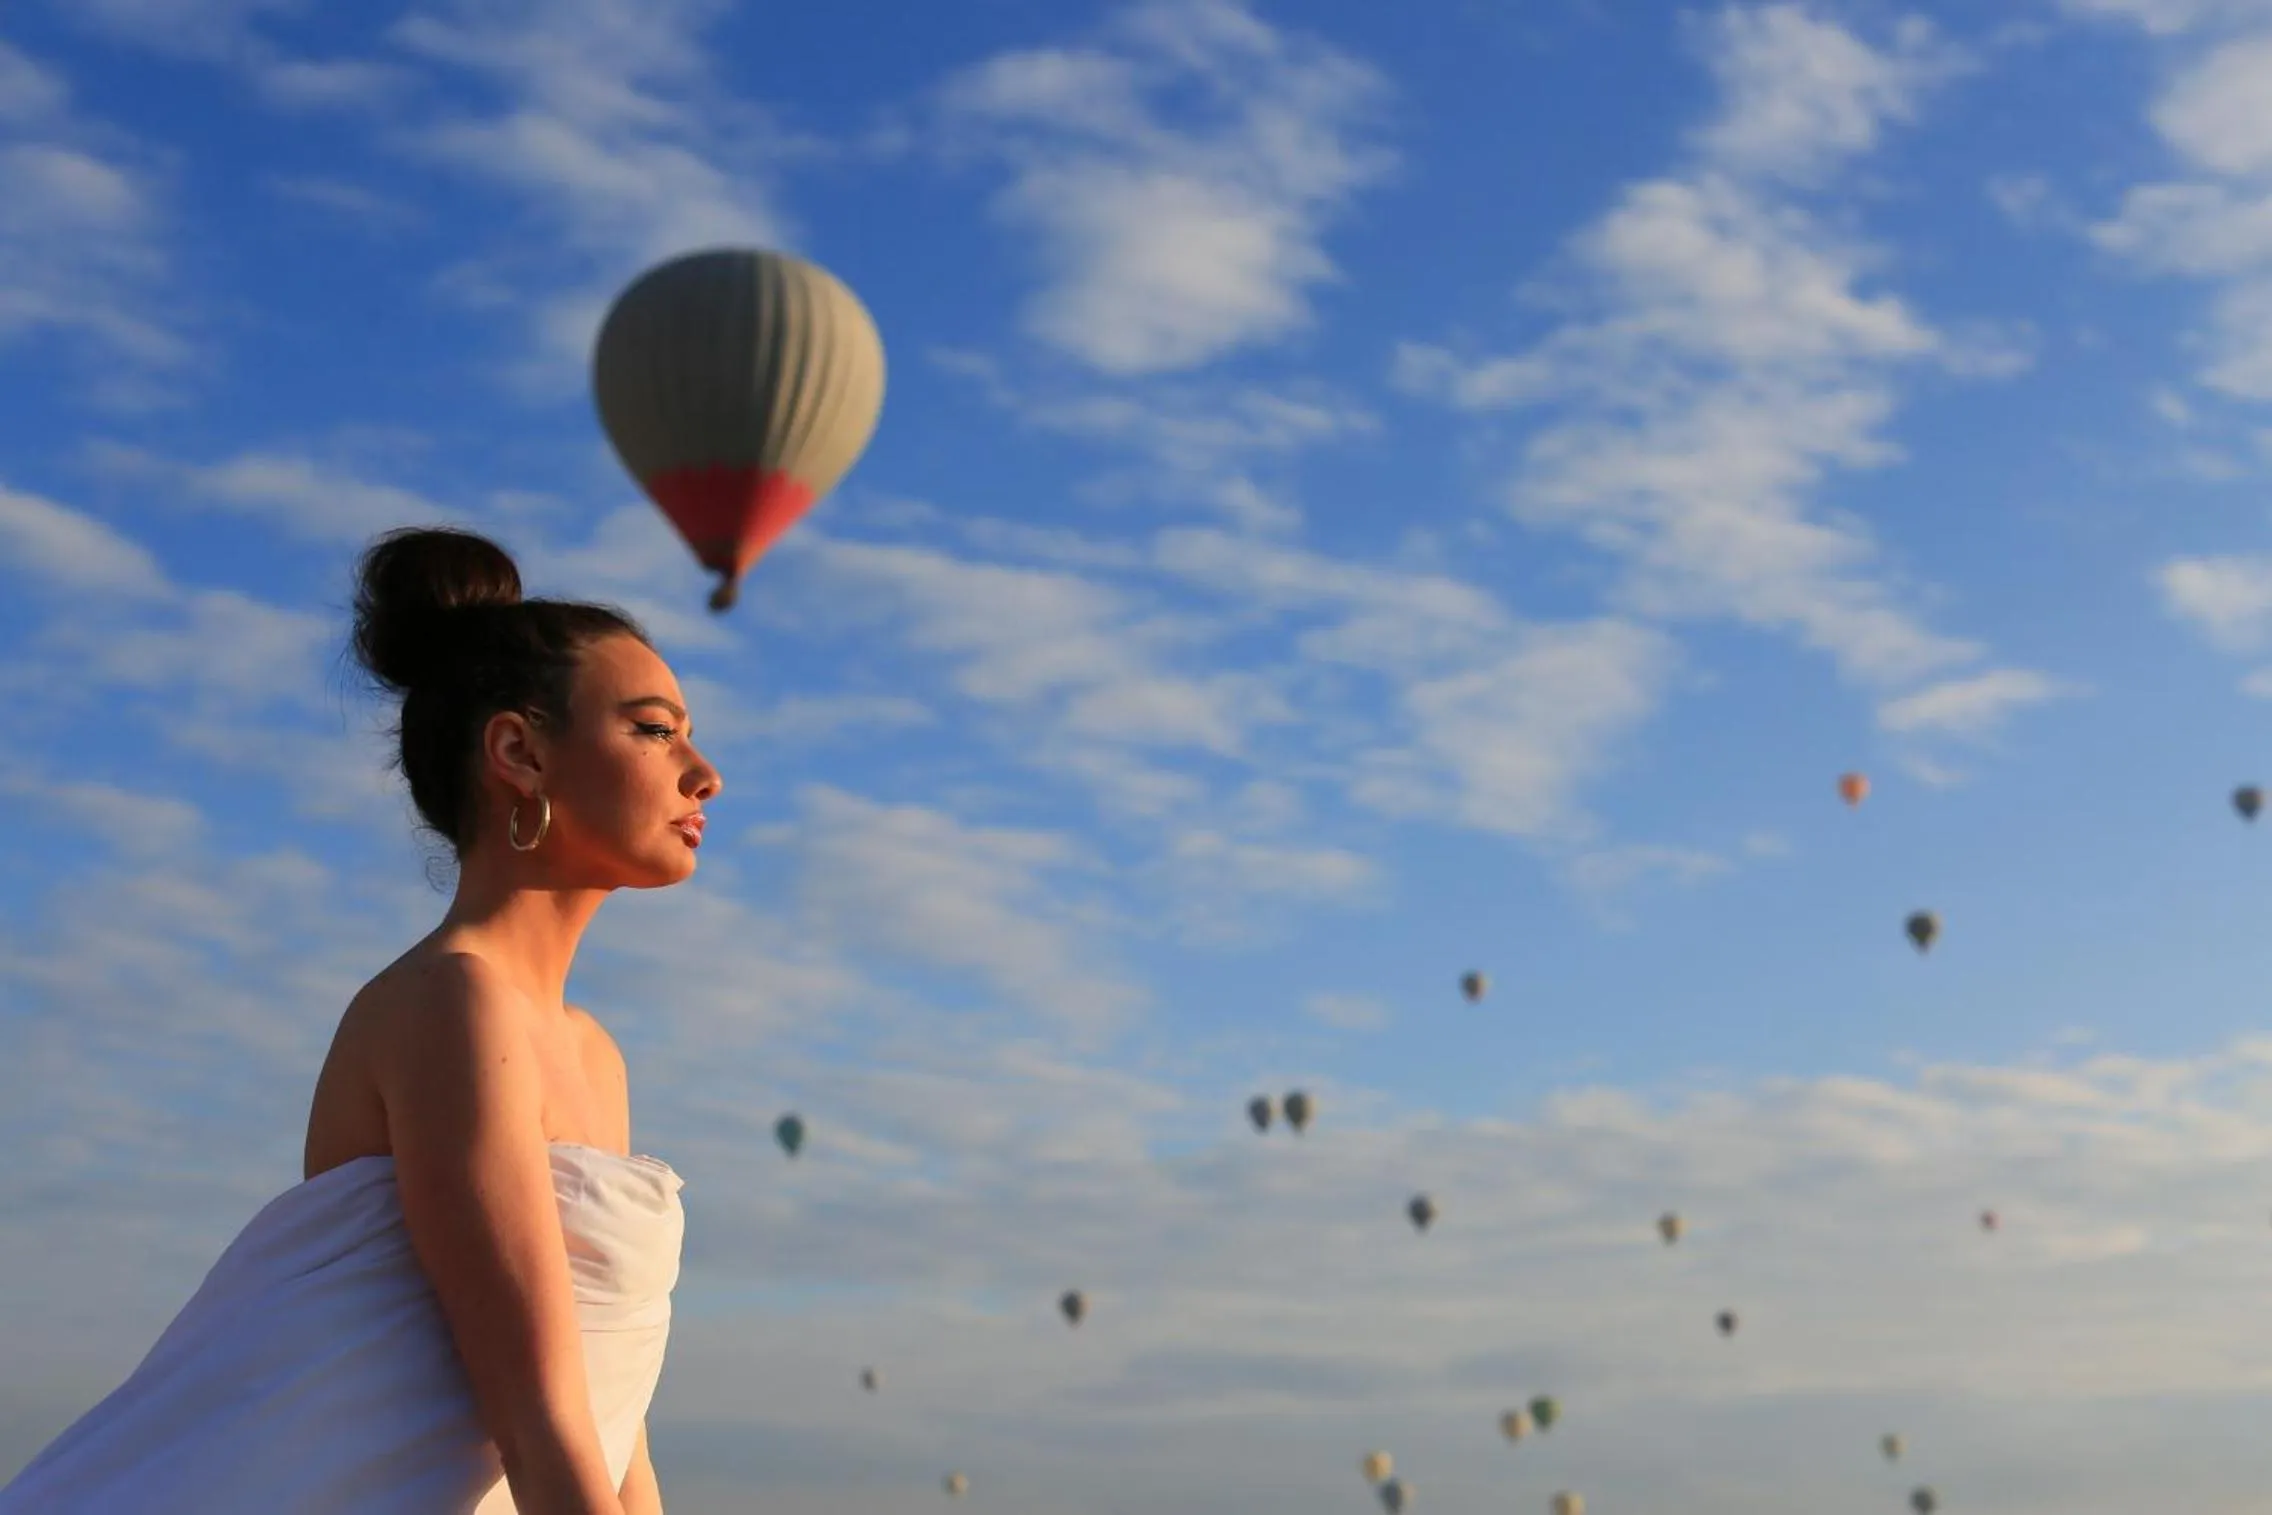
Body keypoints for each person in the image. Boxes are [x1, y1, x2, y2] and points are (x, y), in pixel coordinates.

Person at [0, 525, 723, 1514]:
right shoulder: (450, 1003)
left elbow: (608, 1407)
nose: (702, 770)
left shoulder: (594, 1055)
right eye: (652, 729)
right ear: (517, 751)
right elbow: (532, 1406)